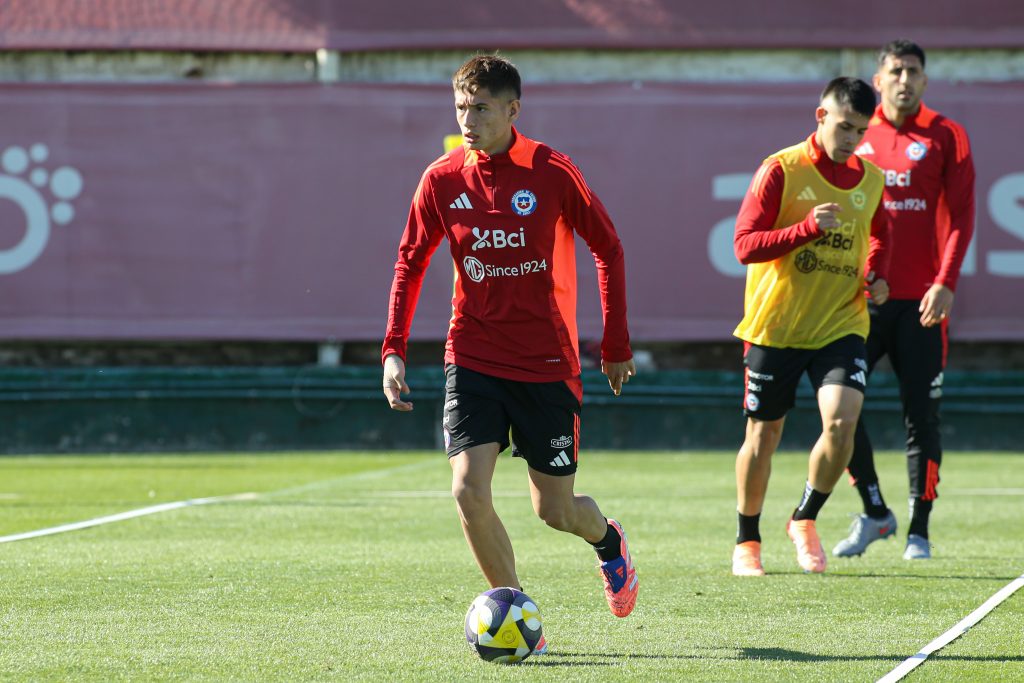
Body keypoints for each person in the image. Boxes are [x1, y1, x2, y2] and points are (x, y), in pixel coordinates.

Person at [381, 55, 639, 635]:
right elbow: (410, 260)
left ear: (512, 109)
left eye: (480, 108)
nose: (467, 120)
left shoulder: (552, 171)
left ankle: (609, 541)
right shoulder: (442, 178)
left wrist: (615, 342)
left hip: (547, 363)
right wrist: (393, 347)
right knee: (468, 489)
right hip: (471, 356)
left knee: (555, 511)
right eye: (460, 108)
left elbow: (610, 248)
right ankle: (516, 614)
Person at [730, 77, 892, 576]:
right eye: (844, 127)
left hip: (841, 324)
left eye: (860, 131)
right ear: (821, 117)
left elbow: (879, 234)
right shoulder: (780, 169)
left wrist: (876, 274)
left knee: (842, 423)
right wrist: (806, 229)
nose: (851, 140)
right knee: (763, 436)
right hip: (776, 326)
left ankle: (804, 517)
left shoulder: (870, 179)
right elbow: (743, 245)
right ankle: (747, 540)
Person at [833, 39, 976, 561]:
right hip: (860, 303)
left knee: (922, 417)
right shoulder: (855, 133)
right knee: (838, 410)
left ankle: (919, 527)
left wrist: (945, 282)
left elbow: (961, 217)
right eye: (895, 70)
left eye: (913, 71)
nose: (904, 80)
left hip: (923, 302)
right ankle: (875, 512)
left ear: (925, 80)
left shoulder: (947, 135)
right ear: (878, 78)